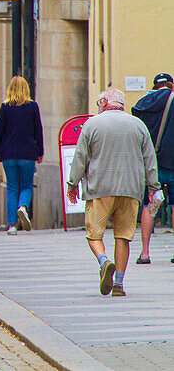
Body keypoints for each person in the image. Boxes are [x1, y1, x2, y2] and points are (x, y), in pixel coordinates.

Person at [67, 87, 159, 297]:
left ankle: (103, 261)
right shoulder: (138, 125)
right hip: (130, 189)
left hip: (100, 188)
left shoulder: (91, 124)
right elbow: (149, 158)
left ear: (104, 103)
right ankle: (118, 284)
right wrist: (153, 187)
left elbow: (81, 156)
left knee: (93, 233)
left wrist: (72, 183)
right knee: (123, 236)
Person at [0, 75, 44, 234]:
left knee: (12, 188)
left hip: (8, 154)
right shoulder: (33, 107)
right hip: (27, 153)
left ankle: (12, 225)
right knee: (26, 186)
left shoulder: (5, 107)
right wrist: (40, 151)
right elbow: (38, 131)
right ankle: (23, 206)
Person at [131, 73, 174, 264]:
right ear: (171, 86)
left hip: (152, 164)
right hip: (172, 163)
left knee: (150, 205)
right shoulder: (172, 100)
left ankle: (145, 253)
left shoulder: (144, 103)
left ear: (154, 87)